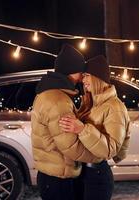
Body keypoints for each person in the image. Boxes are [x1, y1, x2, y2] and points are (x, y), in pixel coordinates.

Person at [31, 44, 101, 200]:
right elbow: (70, 146)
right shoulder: (58, 101)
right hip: (59, 179)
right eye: (81, 72)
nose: (83, 77)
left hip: (50, 175)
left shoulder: (47, 94)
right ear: (71, 70)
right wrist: (98, 155)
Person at [59, 55, 131, 200]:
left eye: (87, 76)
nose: (83, 80)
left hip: (97, 177)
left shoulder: (114, 107)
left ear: (98, 77)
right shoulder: (91, 103)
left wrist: (82, 129)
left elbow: (110, 149)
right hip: (82, 173)